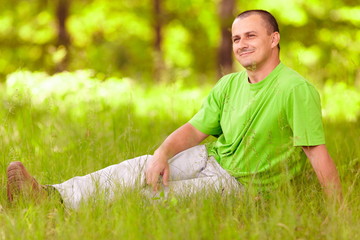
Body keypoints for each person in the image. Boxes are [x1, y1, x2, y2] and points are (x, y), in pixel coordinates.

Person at [6, 10, 342, 209]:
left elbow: (317, 155)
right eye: (237, 38)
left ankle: (64, 215)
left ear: (274, 40)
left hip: (245, 186)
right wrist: (162, 153)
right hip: (212, 158)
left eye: (251, 35)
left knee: (154, 199)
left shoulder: (296, 89)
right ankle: (51, 198)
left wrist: (339, 215)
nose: (241, 44)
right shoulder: (230, 85)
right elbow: (196, 130)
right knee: (140, 169)